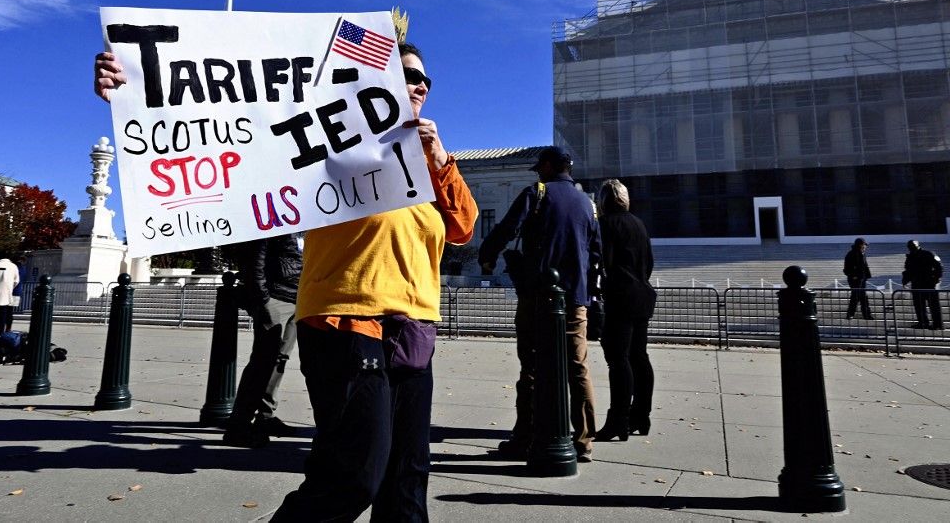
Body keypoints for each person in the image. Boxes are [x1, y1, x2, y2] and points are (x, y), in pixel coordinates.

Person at [96, 41, 478, 521]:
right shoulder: (324, 141)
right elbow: (229, 134)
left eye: (425, 78)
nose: (420, 84)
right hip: (346, 320)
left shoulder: (424, 160)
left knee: (406, 483)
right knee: (354, 472)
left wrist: (440, 157)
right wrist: (135, 93)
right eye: (406, 76)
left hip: (414, 327)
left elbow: (463, 227)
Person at [477, 146, 601, 463]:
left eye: (539, 168)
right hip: (575, 299)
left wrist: (487, 255)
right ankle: (585, 439)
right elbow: (596, 252)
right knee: (578, 367)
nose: (538, 173)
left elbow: (507, 228)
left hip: (537, 295)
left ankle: (525, 436)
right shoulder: (587, 203)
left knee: (531, 365)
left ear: (547, 166)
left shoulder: (538, 192)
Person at [223, 235, 302, 448]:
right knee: (262, 361)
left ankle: (265, 417)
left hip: (300, 297)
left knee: (280, 360)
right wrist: (263, 298)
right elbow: (255, 258)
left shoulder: (311, 222)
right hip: (275, 297)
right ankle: (238, 425)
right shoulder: (276, 220)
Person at [593, 179, 656, 441]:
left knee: (618, 359)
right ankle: (641, 416)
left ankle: (618, 419)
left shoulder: (605, 225)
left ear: (604, 200)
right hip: (642, 294)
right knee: (639, 356)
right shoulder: (638, 223)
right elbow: (649, 262)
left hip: (620, 296)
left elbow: (602, 261)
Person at [902, 240, 943, 330]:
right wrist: (905, 281)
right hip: (916, 284)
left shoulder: (929, 254)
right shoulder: (910, 257)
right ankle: (923, 323)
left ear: (918, 246)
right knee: (919, 306)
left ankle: (938, 324)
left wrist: (937, 279)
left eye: (913, 246)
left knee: (934, 305)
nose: (911, 248)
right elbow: (908, 271)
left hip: (929, 284)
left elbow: (939, 266)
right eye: (910, 247)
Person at [0, 253, 20, 337]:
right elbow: (16, 281)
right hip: (7, 294)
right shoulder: (14, 266)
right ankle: (0, 335)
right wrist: (10, 287)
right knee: (2, 318)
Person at [843, 237, 872, 320]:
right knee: (855, 297)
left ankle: (866, 315)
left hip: (862, 279)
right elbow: (846, 269)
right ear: (860, 245)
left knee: (863, 297)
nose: (865, 247)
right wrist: (853, 276)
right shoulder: (851, 254)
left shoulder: (862, 254)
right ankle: (850, 315)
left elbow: (865, 266)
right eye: (864, 245)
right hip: (855, 279)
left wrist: (866, 276)